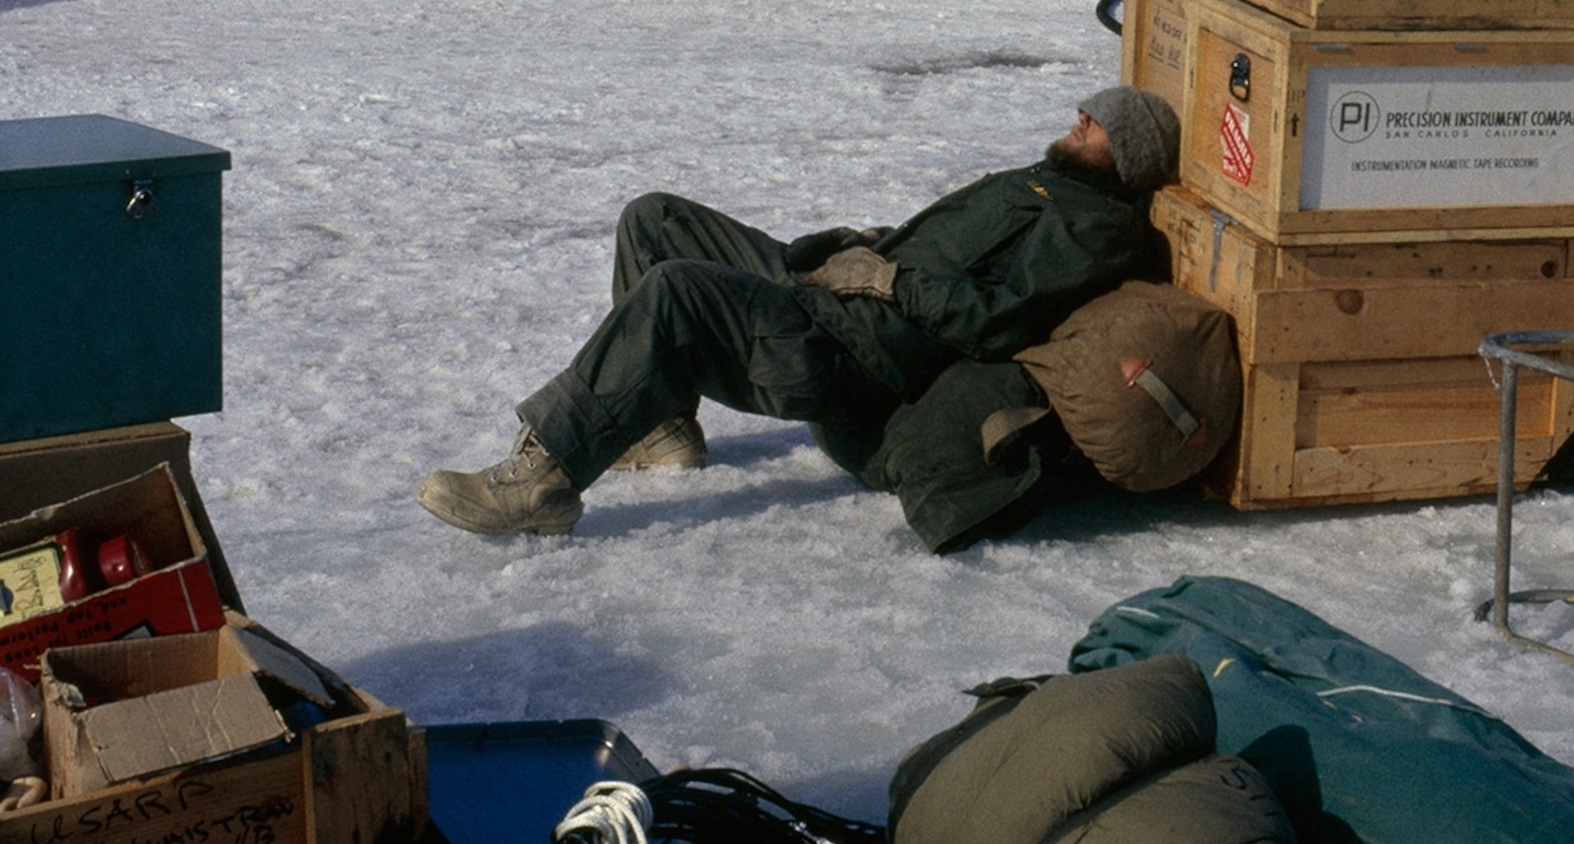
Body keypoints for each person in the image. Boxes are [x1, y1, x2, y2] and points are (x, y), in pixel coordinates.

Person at [416, 86, 1185, 535]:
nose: (1081, 117)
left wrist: (891, 283)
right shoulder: (1050, 186)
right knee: (655, 219)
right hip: (838, 296)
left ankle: (543, 476)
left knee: (679, 287)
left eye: (1100, 124)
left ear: (1128, 157)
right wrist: (867, 245)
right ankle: (662, 428)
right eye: (1088, 110)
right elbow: (959, 251)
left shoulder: (1091, 229)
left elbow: (997, 318)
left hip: (847, 350)